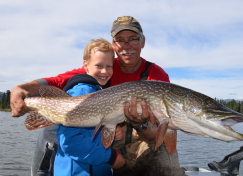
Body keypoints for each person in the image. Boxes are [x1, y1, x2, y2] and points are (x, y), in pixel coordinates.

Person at [11, 16, 186, 176]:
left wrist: (140, 124)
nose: (126, 46)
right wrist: (21, 89)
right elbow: (58, 81)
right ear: (114, 44)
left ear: (143, 41)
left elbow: (156, 134)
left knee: (162, 159)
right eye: (120, 40)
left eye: (133, 38)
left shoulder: (155, 76)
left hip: (139, 138)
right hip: (105, 139)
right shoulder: (104, 68)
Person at [53, 38, 125, 176]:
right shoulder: (82, 93)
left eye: (109, 66)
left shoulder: (98, 93)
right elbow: (70, 142)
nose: (104, 71)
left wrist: (112, 134)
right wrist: (111, 157)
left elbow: (90, 132)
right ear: (86, 65)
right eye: (99, 65)